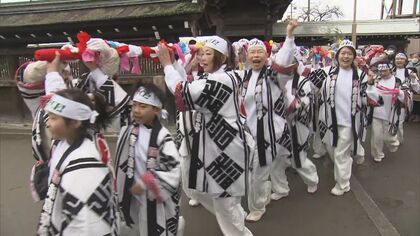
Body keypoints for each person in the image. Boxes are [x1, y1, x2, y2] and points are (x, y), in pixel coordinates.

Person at [158, 36, 253, 236]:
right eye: (201, 53)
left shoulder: (221, 80)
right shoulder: (219, 77)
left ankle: (240, 233)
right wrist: (176, 62)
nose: (202, 58)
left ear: (223, 57)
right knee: (199, 191)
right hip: (217, 146)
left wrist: (167, 64)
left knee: (224, 201)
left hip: (226, 149)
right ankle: (236, 217)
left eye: (208, 54)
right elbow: (188, 86)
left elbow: (182, 91)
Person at [241, 20, 317, 223]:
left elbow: (283, 61)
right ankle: (280, 190)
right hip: (252, 134)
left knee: (270, 168)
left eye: (260, 52)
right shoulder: (243, 77)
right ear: (247, 56)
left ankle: (258, 206)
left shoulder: (274, 75)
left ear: (267, 56)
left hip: (273, 132)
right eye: (252, 52)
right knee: (270, 167)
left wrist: (289, 36)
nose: (256, 56)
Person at [36, 89, 119, 235]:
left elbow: (88, 224)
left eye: (53, 118)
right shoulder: (62, 143)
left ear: (75, 122)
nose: (47, 123)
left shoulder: (86, 166)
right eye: (48, 117)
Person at [307, 39, 380, 196]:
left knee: (340, 153)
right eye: (343, 53)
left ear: (354, 57)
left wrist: (371, 84)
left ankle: (343, 184)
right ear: (337, 55)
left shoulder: (361, 76)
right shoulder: (327, 72)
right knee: (332, 151)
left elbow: (372, 99)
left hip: (349, 122)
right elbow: (307, 84)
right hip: (328, 121)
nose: (346, 56)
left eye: (349, 53)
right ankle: (346, 163)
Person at [115, 82, 183, 236]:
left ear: (156, 110)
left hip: (152, 195)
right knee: (134, 227)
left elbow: (172, 168)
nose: (136, 111)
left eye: (143, 107)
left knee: (154, 228)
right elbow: (114, 97)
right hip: (131, 192)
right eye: (135, 105)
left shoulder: (162, 136)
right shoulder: (128, 127)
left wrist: (147, 182)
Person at [368, 61, 407, 162]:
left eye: (384, 70)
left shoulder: (398, 81)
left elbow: (405, 96)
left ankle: (393, 143)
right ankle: (378, 154)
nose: (382, 73)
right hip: (377, 112)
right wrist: (370, 85)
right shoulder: (376, 80)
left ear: (391, 69)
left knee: (388, 137)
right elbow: (371, 94)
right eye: (380, 71)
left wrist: (399, 92)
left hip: (392, 112)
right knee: (376, 136)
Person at [392, 52, 420, 143]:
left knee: (399, 121)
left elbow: (418, 89)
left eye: (401, 59)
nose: (399, 61)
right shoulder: (390, 71)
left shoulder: (410, 72)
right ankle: (391, 138)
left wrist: (413, 80)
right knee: (390, 120)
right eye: (397, 59)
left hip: (403, 100)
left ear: (405, 61)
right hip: (390, 99)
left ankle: (398, 139)